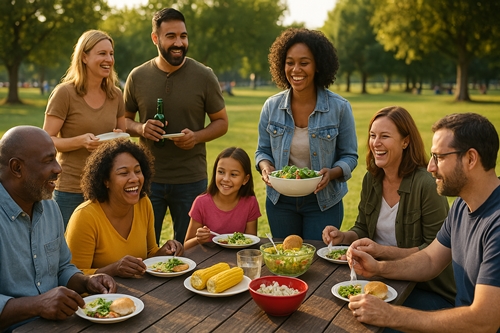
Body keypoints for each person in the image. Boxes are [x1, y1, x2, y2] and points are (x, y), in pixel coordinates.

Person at [347, 113, 500, 332]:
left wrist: (391, 316)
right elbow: (429, 260)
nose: (430, 167)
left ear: (470, 159)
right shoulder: (461, 206)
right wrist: (379, 267)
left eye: (439, 157)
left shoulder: (496, 224)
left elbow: (484, 321)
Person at [323, 106, 455, 312]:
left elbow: (433, 251)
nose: (376, 143)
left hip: (425, 290)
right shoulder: (372, 178)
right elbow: (363, 228)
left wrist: (381, 252)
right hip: (379, 278)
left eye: (385, 136)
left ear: (405, 141)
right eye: (372, 135)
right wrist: (344, 236)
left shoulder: (426, 185)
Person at [124, 8, 228, 244]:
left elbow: (222, 122)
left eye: (183, 36)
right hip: (146, 178)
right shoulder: (137, 76)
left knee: (190, 249)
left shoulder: (204, 75)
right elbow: (123, 121)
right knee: (144, 248)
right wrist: (141, 129)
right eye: (171, 36)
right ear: (155, 38)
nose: (179, 42)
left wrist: (197, 137)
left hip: (190, 179)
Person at [0, 126, 116, 332]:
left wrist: (86, 282)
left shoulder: (50, 207)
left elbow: (62, 268)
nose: (58, 168)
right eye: (48, 161)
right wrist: (37, 305)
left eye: (56, 158)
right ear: (17, 168)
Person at [255, 28, 358, 240]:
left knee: (319, 263)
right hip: (280, 201)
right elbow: (262, 151)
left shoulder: (339, 108)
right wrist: (266, 168)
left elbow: (350, 156)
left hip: (323, 201)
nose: (296, 69)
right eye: (290, 62)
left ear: (318, 65)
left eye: (304, 62)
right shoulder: (271, 106)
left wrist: (332, 173)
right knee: (286, 259)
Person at [65, 139, 184, 277]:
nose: (134, 178)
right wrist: (112, 270)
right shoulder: (85, 216)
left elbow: (150, 252)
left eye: (138, 171)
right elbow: (73, 277)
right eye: (123, 173)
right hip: (100, 297)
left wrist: (164, 252)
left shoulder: (143, 203)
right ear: (106, 181)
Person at [43, 29, 126, 227]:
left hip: (105, 186)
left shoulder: (116, 95)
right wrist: (80, 141)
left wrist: (118, 139)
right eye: (102, 53)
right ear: (84, 57)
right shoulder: (65, 93)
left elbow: (123, 137)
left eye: (111, 53)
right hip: (71, 188)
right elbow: (46, 140)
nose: (109, 59)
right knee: (66, 249)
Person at [184, 147, 261, 249]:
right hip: (207, 261)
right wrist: (198, 239)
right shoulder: (201, 202)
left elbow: (251, 243)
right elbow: (186, 246)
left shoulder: (250, 203)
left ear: (245, 179)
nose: (225, 179)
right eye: (221, 172)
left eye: (233, 174)